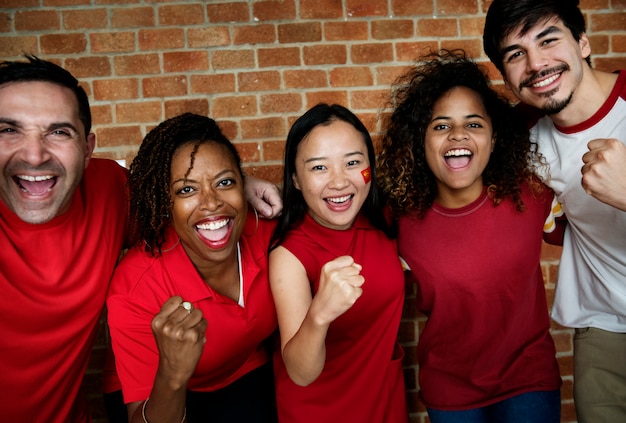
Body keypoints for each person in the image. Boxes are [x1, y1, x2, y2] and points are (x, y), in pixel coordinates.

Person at [0, 56, 282, 423]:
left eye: (58, 132)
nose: (34, 155)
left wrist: (240, 188)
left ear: (87, 149)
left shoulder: (109, 190)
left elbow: (179, 196)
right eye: (8, 130)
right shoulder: (136, 285)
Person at [377, 50, 564, 422]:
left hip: (530, 379)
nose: (458, 134)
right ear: (422, 142)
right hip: (451, 390)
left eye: (474, 124)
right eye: (441, 125)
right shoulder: (398, 217)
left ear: (494, 140)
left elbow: (586, 233)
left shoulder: (534, 197)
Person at [483, 1, 626, 421]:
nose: (537, 64)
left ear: (582, 42)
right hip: (604, 329)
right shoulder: (519, 135)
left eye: (548, 40)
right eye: (515, 54)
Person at [106, 113, 278, 423]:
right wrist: (172, 374)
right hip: (160, 392)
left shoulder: (268, 234)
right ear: (165, 203)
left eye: (224, 182)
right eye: (186, 190)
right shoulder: (136, 288)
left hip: (242, 366)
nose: (211, 203)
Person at [269, 103, 408, 422]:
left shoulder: (383, 220)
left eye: (353, 163)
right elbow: (300, 373)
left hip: (384, 404)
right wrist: (320, 313)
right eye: (319, 168)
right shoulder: (289, 254)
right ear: (296, 179)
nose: (339, 182)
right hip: (320, 412)